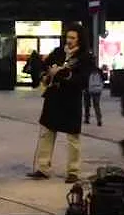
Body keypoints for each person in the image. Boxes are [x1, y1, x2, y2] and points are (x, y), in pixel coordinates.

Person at [27, 23, 91, 184]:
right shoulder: (58, 52)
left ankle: (73, 171)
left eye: (73, 38)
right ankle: (43, 168)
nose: (69, 40)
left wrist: (66, 74)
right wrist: (45, 73)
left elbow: (83, 80)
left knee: (73, 138)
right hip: (54, 97)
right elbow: (45, 66)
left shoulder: (85, 57)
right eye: (67, 37)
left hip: (71, 99)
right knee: (46, 133)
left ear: (80, 39)